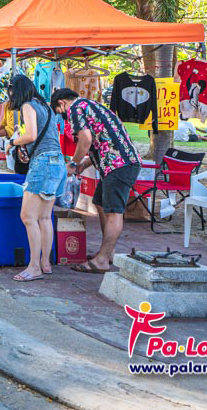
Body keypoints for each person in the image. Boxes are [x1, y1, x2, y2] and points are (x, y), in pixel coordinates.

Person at [51, 87, 141, 274]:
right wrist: (85, 163)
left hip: (119, 165)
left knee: (114, 211)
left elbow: (85, 140)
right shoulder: (92, 105)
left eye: (61, 113)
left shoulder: (75, 108)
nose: (65, 118)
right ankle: (107, 252)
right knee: (99, 203)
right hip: (118, 164)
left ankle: (102, 260)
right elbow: (104, 140)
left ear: (61, 103)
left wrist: (74, 164)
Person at [8, 75, 64, 281]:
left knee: (28, 217)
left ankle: (34, 267)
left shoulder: (28, 106)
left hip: (43, 163)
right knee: (44, 217)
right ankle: (45, 263)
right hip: (57, 162)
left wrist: (13, 142)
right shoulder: (45, 106)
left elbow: (31, 135)